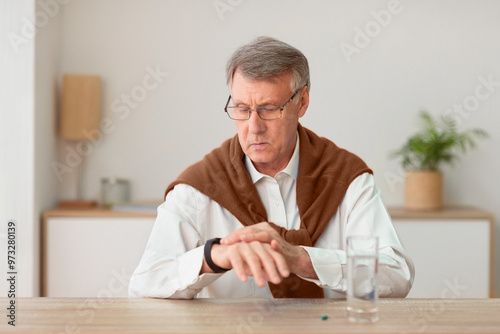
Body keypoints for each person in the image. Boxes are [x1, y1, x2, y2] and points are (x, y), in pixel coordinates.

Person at [129, 36, 414, 299]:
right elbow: (144, 283)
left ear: (301, 102)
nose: (253, 128)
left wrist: (302, 259)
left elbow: (396, 276)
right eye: (241, 109)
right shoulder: (199, 187)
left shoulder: (346, 177)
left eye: (268, 109)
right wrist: (213, 257)